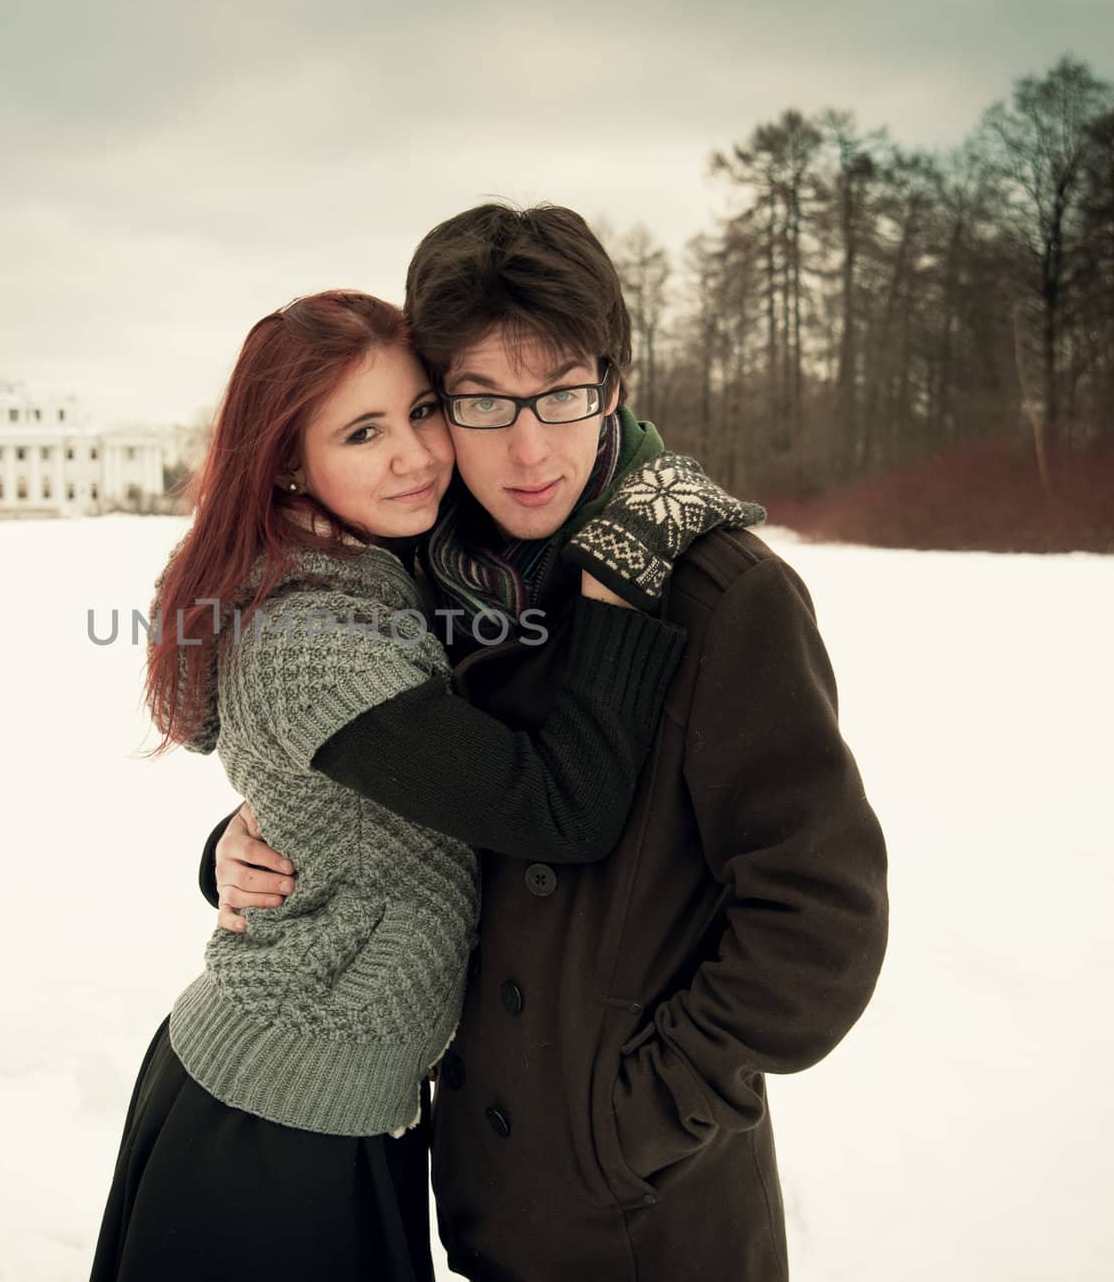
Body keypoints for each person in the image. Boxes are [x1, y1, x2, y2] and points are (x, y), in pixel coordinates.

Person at [203, 205, 890, 1281]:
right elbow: (421, 793)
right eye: (480, 400)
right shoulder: (425, 579)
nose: (529, 449)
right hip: (480, 1195)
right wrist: (244, 841)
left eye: (563, 393)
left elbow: (820, 916)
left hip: (648, 1218)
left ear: (613, 384)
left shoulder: (722, 595)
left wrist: (635, 1118)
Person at [90, 289, 755, 1282]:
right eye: (362, 431)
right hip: (269, 1131)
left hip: (338, 1102)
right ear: (283, 459)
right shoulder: (315, 637)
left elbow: (362, 791)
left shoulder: (380, 569)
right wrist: (616, 590)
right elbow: (554, 808)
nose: (414, 454)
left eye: (423, 411)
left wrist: (245, 831)